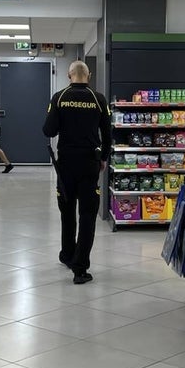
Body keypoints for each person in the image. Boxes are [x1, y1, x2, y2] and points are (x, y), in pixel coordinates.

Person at [43, 61, 111, 284]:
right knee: (88, 215)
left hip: (66, 165)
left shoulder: (59, 97)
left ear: (68, 75)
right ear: (88, 75)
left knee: (67, 211)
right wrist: (103, 158)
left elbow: (48, 130)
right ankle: (80, 269)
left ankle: (67, 254)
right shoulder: (98, 99)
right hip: (90, 163)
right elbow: (108, 134)